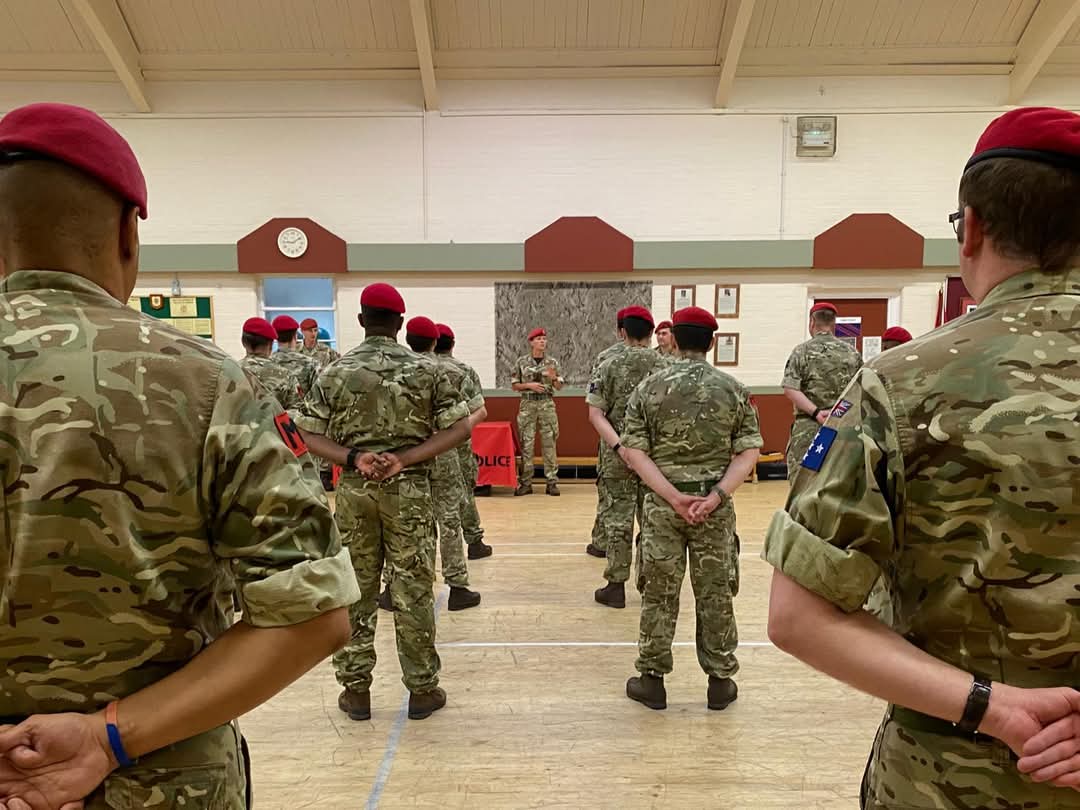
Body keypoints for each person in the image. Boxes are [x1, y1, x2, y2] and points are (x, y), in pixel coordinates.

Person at [0, 102, 357, 809]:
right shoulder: (204, 381)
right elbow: (314, 615)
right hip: (158, 782)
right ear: (129, 234)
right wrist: (109, 736)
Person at [763, 106, 1080, 808]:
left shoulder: (898, 385)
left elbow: (798, 617)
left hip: (948, 778)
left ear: (971, 229)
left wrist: (993, 707)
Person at [297, 283, 473, 723]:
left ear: (361, 320)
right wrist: (404, 458)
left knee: (356, 588)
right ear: (399, 323)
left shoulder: (336, 372)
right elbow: (461, 428)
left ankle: (356, 690)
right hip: (409, 490)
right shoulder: (428, 370)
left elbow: (305, 433)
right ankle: (422, 689)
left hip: (356, 491)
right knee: (412, 590)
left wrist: (354, 457)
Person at [619, 306, 762, 711]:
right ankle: (719, 682)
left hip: (665, 507)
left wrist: (672, 496)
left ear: (675, 340)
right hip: (713, 509)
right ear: (712, 342)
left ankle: (652, 680)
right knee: (716, 592)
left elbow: (634, 453)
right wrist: (715, 495)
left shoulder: (649, 388)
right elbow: (749, 450)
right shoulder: (733, 389)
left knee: (659, 593)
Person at [587, 306, 667, 608]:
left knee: (618, 520)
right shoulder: (666, 366)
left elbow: (596, 414)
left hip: (616, 455)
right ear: (651, 333)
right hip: (654, 457)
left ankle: (615, 585)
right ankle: (649, 583)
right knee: (652, 520)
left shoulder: (608, 364)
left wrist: (620, 448)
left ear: (622, 332)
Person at [402, 316, 484, 612]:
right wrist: (454, 433)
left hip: (408, 455)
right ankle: (458, 587)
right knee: (449, 520)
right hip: (445, 453)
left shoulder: (398, 370)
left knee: (408, 521)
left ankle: (398, 588)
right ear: (435, 342)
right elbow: (478, 411)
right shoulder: (452, 370)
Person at [781, 302, 862, 475]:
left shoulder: (801, 352)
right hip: (842, 429)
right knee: (839, 482)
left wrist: (817, 413)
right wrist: (836, 414)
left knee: (805, 483)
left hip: (808, 429)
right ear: (834, 324)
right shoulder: (852, 353)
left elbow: (790, 388)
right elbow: (859, 390)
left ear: (812, 322)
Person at [435, 323, 493, 560]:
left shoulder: (415, 369)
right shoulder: (463, 371)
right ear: (453, 344)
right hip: (457, 444)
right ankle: (474, 541)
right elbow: (479, 409)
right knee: (464, 492)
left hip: (421, 446)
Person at [586, 308, 630, 558]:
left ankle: (603, 543)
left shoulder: (605, 358)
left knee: (611, 496)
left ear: (620, 331)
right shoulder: (661, 362)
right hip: (650, 446)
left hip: (613, 439)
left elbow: (596, 406)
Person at [511, 327, 564, 497]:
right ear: (531, 342)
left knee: (549, 443)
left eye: (544, 339)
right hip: (528, 405)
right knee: (527, 444)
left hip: (546, 404)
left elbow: (559, 387)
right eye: (539, 339)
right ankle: (526, 482)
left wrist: (554, 377)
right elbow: (514, 385)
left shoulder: (552, 363)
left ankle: (552, 482)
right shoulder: (521, 362)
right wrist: (529, 385)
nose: (543, 341)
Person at [239, 316, 302, 414]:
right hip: (272, 428)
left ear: (243, 342)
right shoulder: (286, 375)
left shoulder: (229, 371)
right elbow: (297, 414)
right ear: (271, 344)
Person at [270, 314, 317, 396]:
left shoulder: (268, 362)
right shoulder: (311, 364)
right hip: (301, 408)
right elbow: (318, 397)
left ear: (275, 337)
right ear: (295, 336)